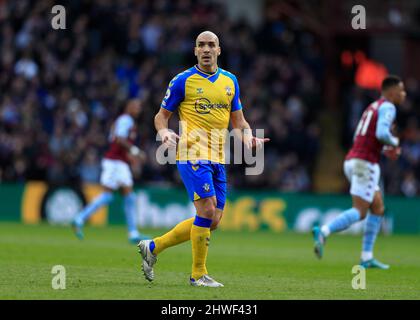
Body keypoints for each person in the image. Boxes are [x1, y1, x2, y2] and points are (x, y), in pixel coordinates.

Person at [137, 31, 269, 287]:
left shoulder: (230, 81)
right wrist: (163, 132)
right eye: (201, 45)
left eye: (211, 45)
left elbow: (239, 122)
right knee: (207, 210)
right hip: (192, 153)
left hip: (219, 157)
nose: (206, 49)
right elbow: (160, 116)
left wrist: (249, 138)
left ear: (219, 50)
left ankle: (153, 247)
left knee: (213, 220)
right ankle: (198, 275)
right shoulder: (182, 81)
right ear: (195, 51)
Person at [312, 76, 406, 269]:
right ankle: (323, 231)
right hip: (365, 163)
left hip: (354, 159)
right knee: (360, 211)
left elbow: (362, 136)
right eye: (401, 91)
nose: (403, 94)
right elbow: (381, 134)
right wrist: (395, 143)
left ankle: (366, 257)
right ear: (391, 92)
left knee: (378, 207)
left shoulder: (372, 107)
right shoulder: (388, 107)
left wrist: (384, 148)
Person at [72, 98, 149, 244]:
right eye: (136, 106)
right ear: (128, 107)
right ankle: (132, 232)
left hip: (117, 161)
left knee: (120, 195)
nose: (138, 109)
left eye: (139, 107)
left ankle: (80, 218)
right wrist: (135, 151)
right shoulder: (126, 120)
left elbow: (116, 141)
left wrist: (130, 158)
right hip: (115, 163)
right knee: (121, 195)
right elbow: (119, 140)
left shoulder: (123, 121)